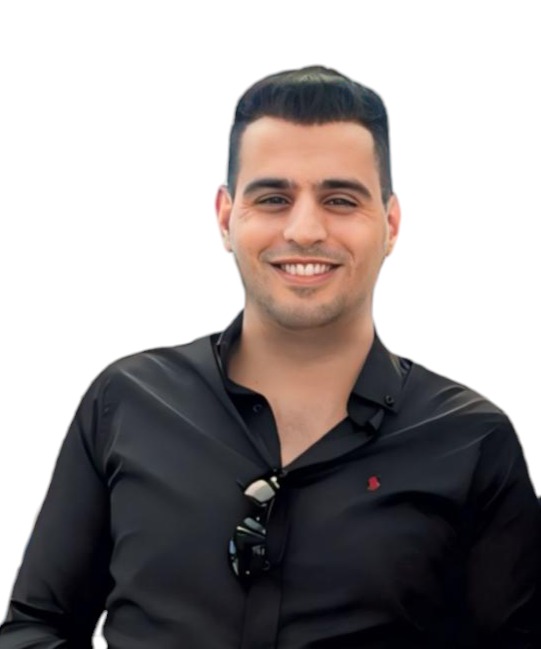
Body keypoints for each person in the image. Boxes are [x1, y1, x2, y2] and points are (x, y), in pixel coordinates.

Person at [0, 66, 539, 649]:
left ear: (390, 224)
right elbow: (35, 629)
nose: (305, 230)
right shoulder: (125, 402)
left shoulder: (472, 442)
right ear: (226, 217)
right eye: (274, 198)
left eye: (340, 200)